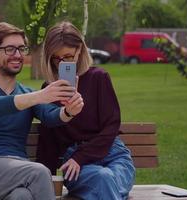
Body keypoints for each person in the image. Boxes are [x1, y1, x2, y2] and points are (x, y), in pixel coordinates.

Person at [0, 22, 84, 200]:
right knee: (40, 172)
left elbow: (50, 116)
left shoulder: (27, 93)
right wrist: (39, 96)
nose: (17, 55)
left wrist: (69, 111)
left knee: (22, 196)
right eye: (10, 49)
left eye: (21, 49)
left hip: (18, 168)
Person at [37, 21, 135, 200]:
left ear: (80, 50)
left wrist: (81, 156)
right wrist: (46, 181)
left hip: (114, 155)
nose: (62, 63)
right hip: (75, 165)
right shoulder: (49, 89)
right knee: (103, 179)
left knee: (105, 181)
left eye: (68, 56)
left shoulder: (99, 78)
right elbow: (48, 138)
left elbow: (111, 126)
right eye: (56, 58)